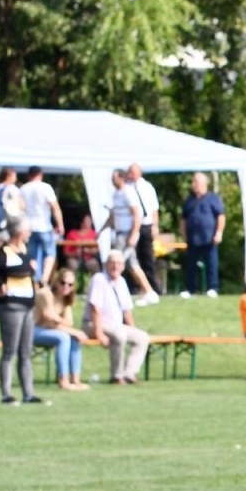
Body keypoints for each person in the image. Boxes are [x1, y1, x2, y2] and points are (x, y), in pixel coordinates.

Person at [0, 217, 43, 404]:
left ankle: (28, 393)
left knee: (26, 352)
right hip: (11, 306)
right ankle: (6, 393)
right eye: (27, 230)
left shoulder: (24, 251)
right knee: (10, 351)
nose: (29, 233)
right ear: (18, 232)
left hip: (27, 306)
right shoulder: (5, 252)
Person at [84, 250, 151, 384]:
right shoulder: (99, 279)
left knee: (142, 337)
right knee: (119, 335)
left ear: (123, 266)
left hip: (115, 326)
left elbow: (127, 311)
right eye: (112, 263)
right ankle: (116, 375)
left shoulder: (122, 282)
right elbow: (95, 308)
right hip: (93, 324)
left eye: (119, 263)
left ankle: (130, 373)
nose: (115, 266)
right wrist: (99, 333)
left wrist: (133, 330)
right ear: (106, 264)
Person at [32, 269, 90, 392]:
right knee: (63, 337)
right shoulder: (45, 294)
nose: (66, 287)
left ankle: (75, 379)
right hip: (32, 330)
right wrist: (68, 327)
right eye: (63, 283)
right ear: (56, 282)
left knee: (74, 339)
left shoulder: (66, 299)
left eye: (70, 285)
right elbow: (48, 316)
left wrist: (68, 328)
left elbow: (69, 322)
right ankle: (63, 380)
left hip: (49, 330)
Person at [109, 169, 156, 302]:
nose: (112, 180)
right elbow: (113, 215)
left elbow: (137, 215)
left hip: (126, 233)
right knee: (129, 264)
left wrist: (134, 234)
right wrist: (103, 230)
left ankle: (148, 291)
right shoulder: (115, 194)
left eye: (114, 177)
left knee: (117, 262)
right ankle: (148, 291)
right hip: (119, 233)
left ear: (121, 178)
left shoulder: (128, 193)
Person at [180, 172, 225, 298]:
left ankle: (213, 288)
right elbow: (183, 219)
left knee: (211, 264)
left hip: (209, 238)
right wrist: (183, 233)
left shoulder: (213, 198)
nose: (193, 184)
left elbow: (221, 216)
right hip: (192, 238)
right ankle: (190, 289)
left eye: (196, 182)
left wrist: (219, 232)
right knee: (191, 265)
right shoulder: (189, 200)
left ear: (204, 184)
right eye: (193, 182)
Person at [124, 163, 162, 301]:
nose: (131, 175)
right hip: (132, 225)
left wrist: (155, 225)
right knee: (132, 257)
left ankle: (154, 287)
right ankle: (134, 287)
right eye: (130, 172)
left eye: (134, 172)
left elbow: (154, 207)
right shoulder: (126, 187)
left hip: (146, 224)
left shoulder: (147, 187)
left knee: (147, 258)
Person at [20, 166, 64, 286]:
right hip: (44, 226)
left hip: (28, 227)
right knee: (50, 253)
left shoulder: (23, 189)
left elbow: (21, 208)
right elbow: (55, 207)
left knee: (32, 255)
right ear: (40, 174)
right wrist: (60, 224)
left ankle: (34, 278)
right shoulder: (46, 187)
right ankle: (44, 278)